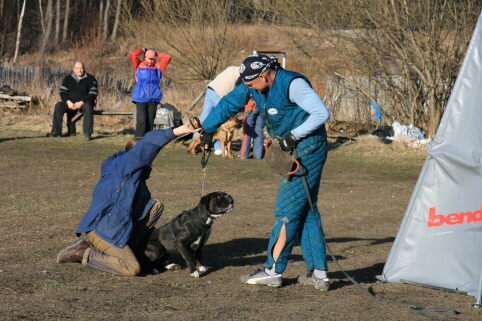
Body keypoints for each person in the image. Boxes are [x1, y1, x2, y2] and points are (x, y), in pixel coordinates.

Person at [200, 54, 331, 291]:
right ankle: (319, 274)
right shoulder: (254, 87)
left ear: (264, 75)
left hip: (309, 148)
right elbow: (229, 103)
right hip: (293, 147)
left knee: (287, 210)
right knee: (306, 209)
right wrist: (207, 129)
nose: (248, 90)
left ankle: (273, 271)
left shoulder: (293, 84)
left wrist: (292, 136)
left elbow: (321, 114)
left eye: (250, 85)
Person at [56, 121, 201, 276]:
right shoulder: (124, 166)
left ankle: (130, 247)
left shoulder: (136, 178)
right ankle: (84, 253)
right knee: (131, 268)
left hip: (117, 228)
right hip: (101, 230)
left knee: (155, 206)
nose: (150, 160)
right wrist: (180, 130)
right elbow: (148, 143)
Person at [46, 61, 98, 141]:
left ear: (84, 69)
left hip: (84, 104)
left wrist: (81, 102)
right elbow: (63, 92)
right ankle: (56, 132)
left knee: (88, 106)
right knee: (58, 105)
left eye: (81, 68)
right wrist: (68, 102)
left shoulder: (90, 78)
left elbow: (93, 93)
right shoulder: (68, 78)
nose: (79, 70)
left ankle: (88, 133)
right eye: (77, 68)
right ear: (74, 69)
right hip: (70, 104)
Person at [195, 66, 241, 155]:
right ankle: (219, 147)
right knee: (220, 119)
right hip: (220, 94)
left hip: (211, 89)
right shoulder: (243, 74)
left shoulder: (232, 68)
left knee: (204, 118)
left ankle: (196, 142)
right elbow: (239, 89)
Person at [130, 47, 171, 137]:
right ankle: (137, 142)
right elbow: (133, 54)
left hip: (153, 98)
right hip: (140, 97)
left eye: (153, 59)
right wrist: (143, 49)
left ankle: (147, 141)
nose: (152, 61)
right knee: (142, 121)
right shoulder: (139, 65)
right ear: (145, 57)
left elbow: (167, 58)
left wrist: (156, 53)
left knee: (150, 122)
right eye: (150, 58)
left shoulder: (158, 67)